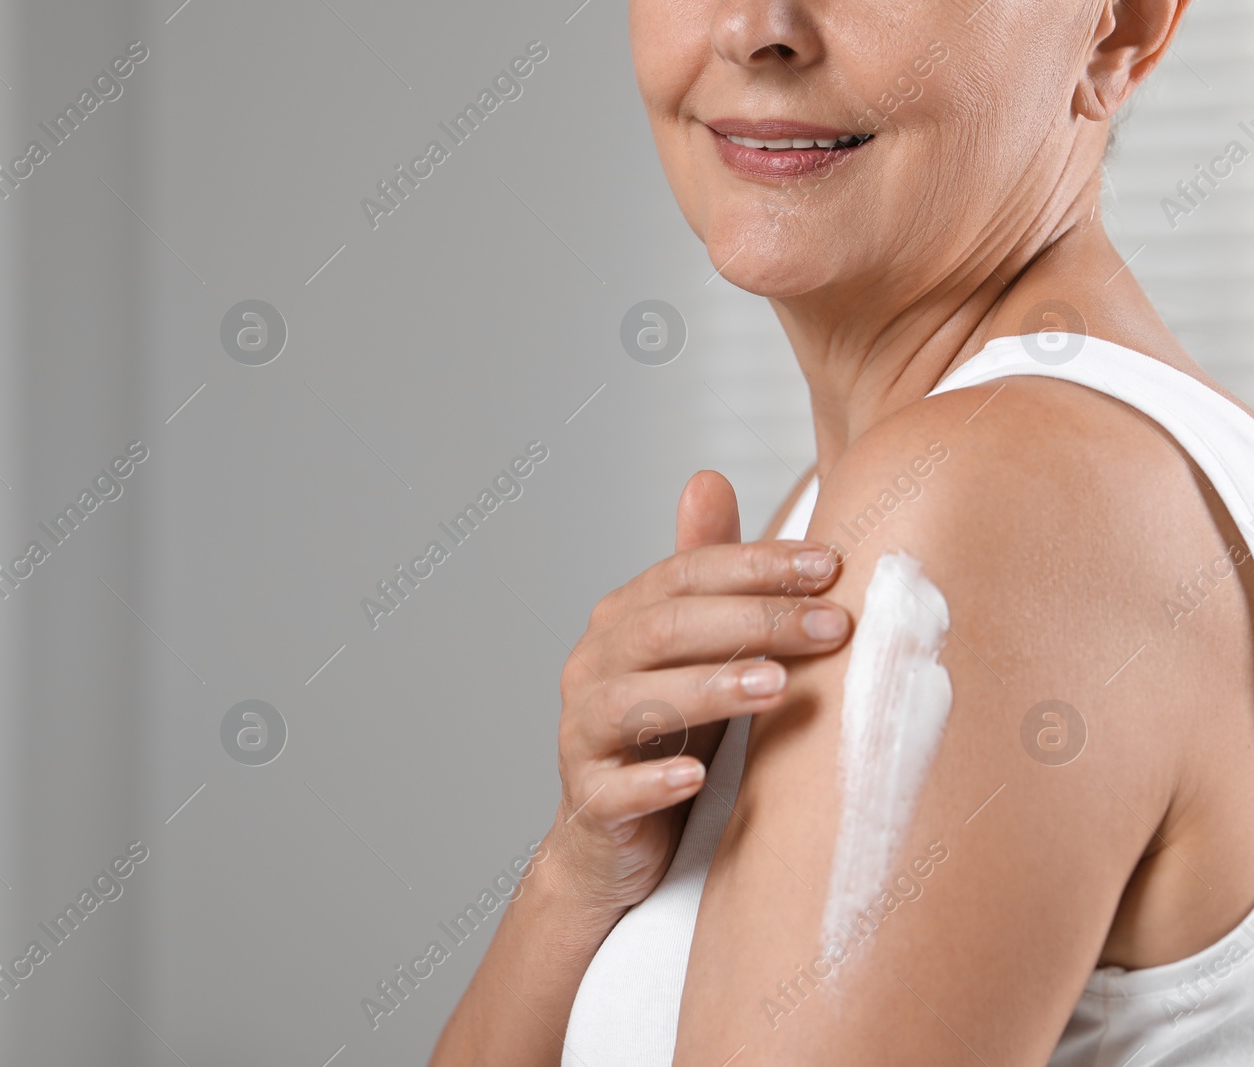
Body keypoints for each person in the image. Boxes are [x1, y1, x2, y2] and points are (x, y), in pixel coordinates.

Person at [429, 0, 1254, 1063]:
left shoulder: (983, 505)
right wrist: (578, 871)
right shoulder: (864, 501)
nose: (753, 27)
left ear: (1117, 30)